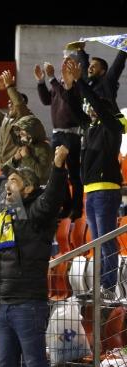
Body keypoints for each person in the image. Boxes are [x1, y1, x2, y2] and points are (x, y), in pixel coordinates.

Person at [0, 139, 69, 367]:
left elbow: (53, 197)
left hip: (28, 304)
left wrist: (57, 166)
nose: (7, 185)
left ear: (28, 189)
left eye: (13, 181)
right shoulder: (5, 212)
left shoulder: (36, 214)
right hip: (4, 304)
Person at [63, 57, 125, 295]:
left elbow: (96, 104)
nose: (90, 109)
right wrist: (70, 88)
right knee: (96, 243)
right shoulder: (91, 127)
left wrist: (81, 83)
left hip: (106, 190)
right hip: (91, 191)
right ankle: (101, 286)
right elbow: (75, 111)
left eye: (96, 107)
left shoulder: (113, 125)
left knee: (106, 242)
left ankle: (108, 287)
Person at [35, 61, 84, 219]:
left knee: (74, 175)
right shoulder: (58, 88)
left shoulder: (75, 89)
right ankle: (66, 205)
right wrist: (41, 81)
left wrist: (51, 78)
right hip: (57, 135)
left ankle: (77, 208)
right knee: (58, 172)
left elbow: (65, 95)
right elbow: (45, 100)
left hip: (71, 135)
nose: (63, 77)